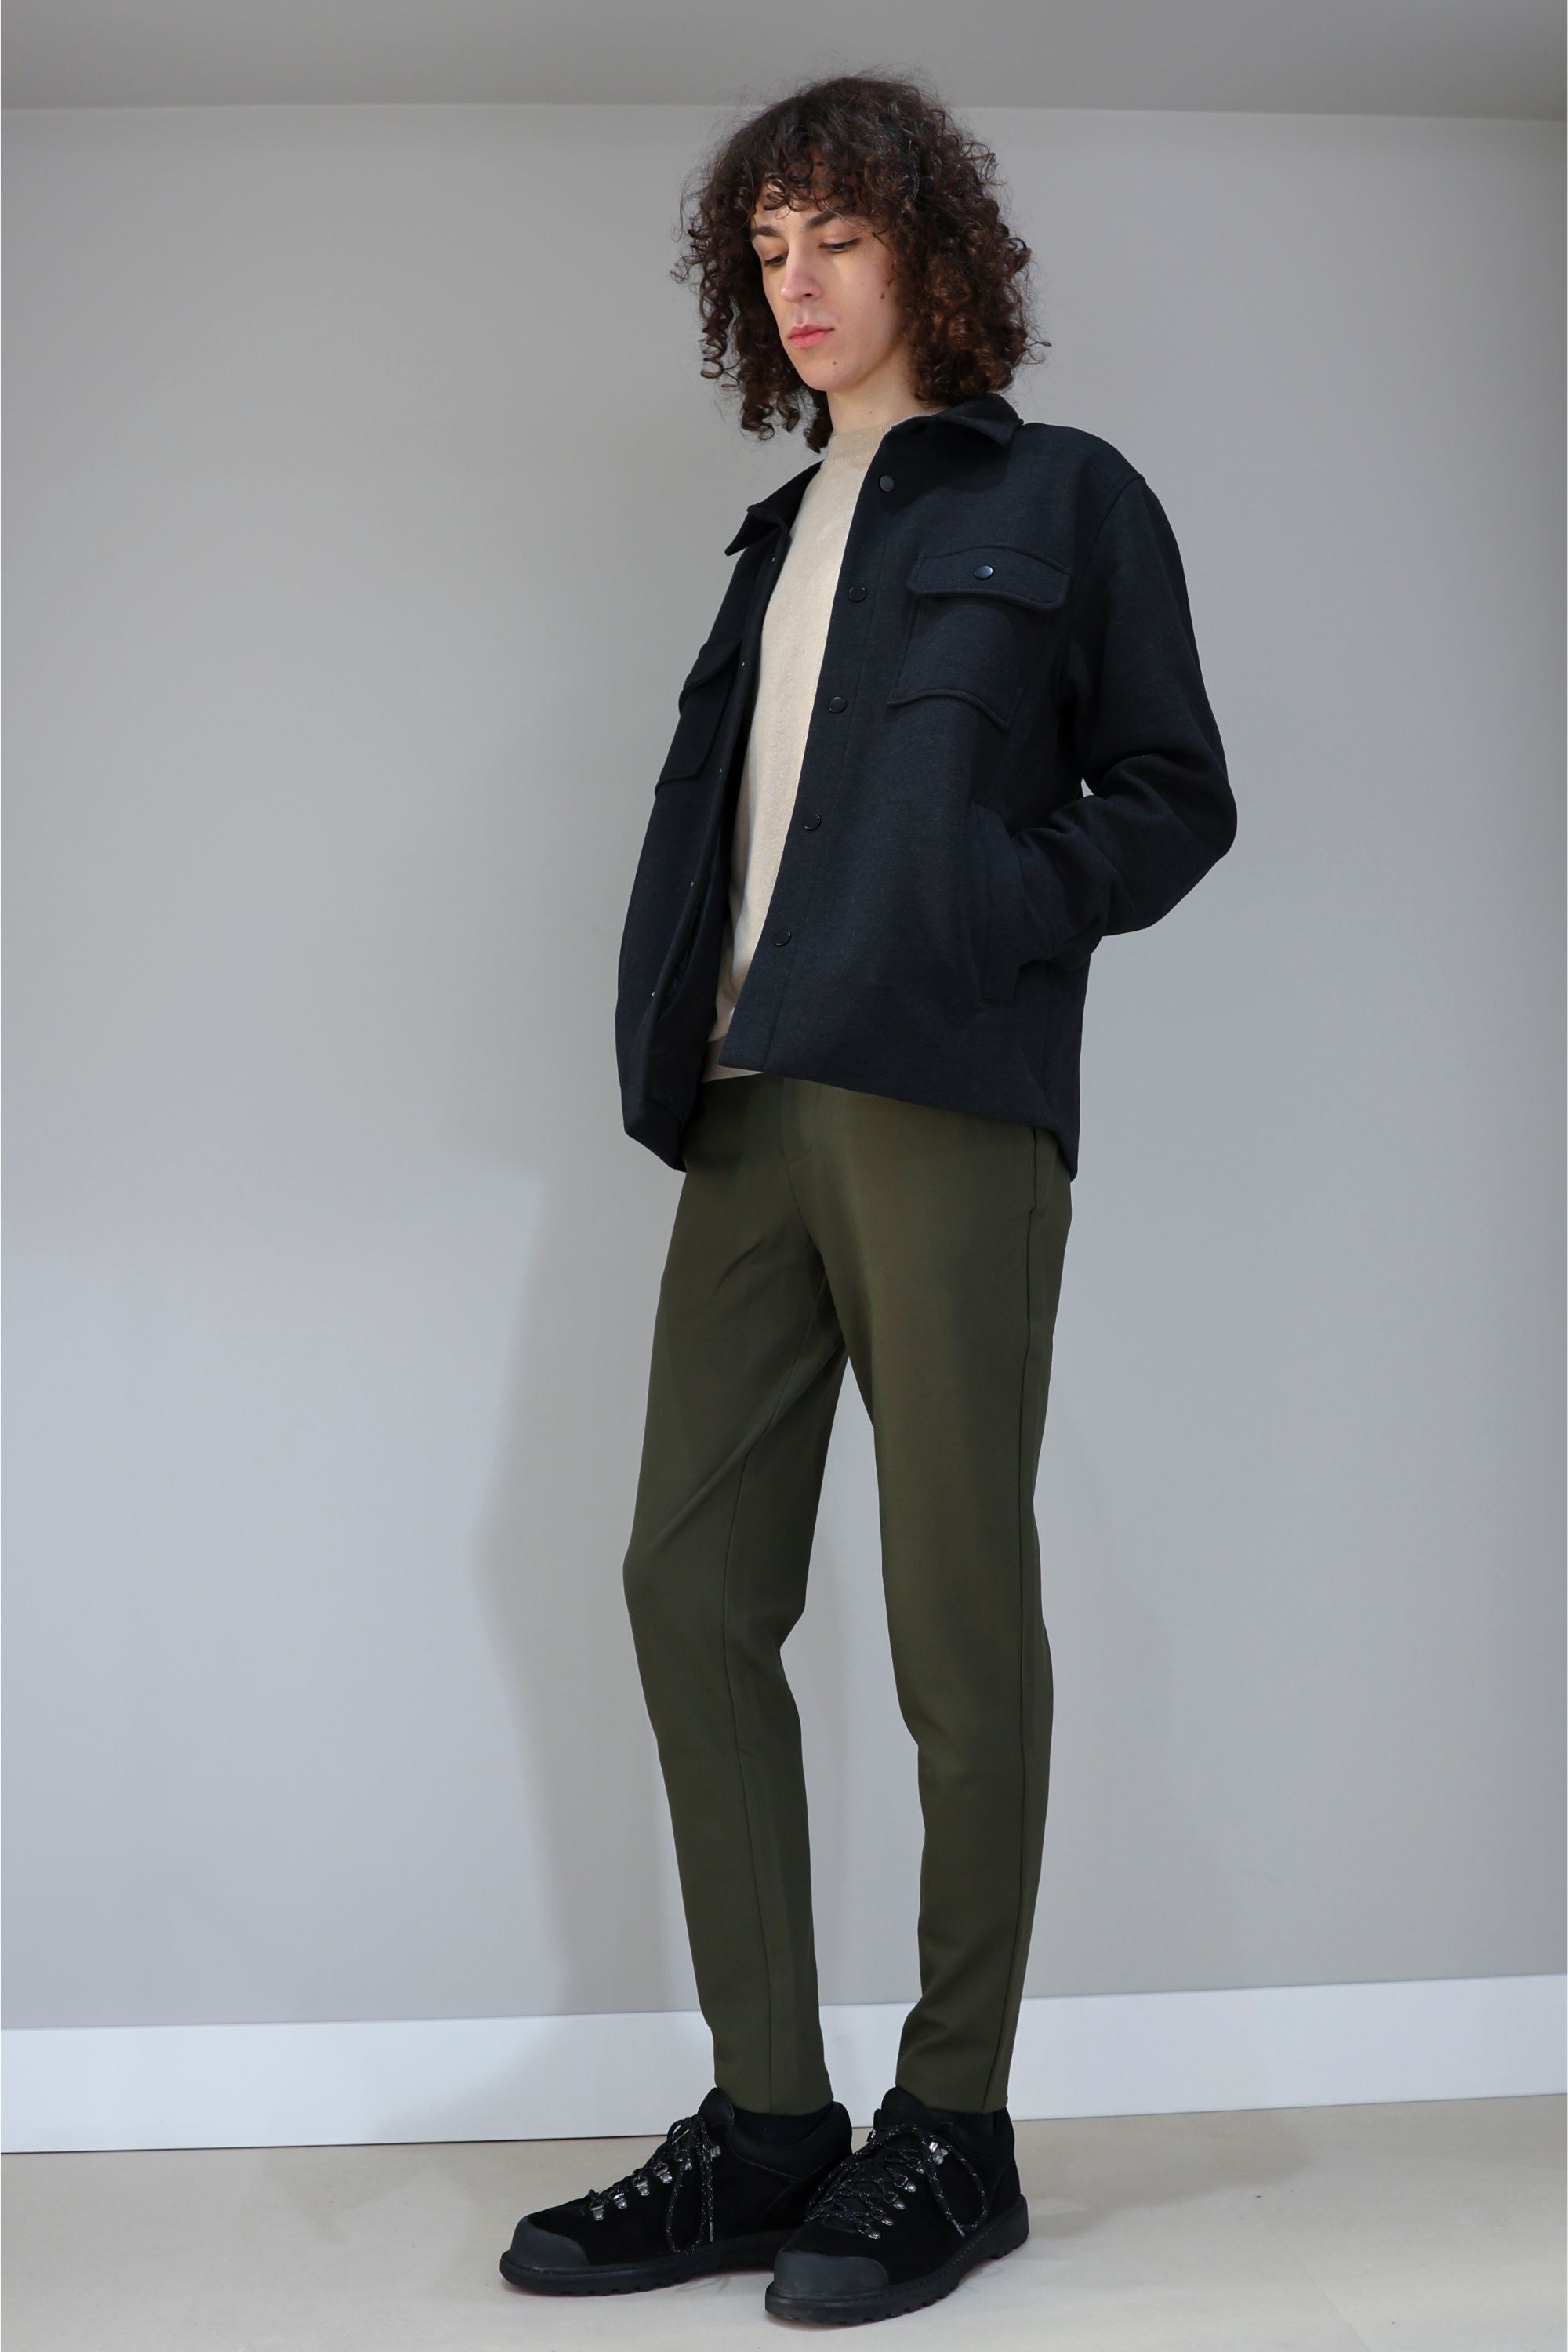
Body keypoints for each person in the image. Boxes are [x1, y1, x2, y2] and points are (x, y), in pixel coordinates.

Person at [503, 69, 1236, 2327]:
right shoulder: (773, 538)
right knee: (685, 1584)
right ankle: (766, 2128)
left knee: (950, 1611)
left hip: (943, 1101)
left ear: (932, 244)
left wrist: (983, 905)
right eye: (767, 251)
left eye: (835, 234)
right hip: (745, 1108)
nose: (799, 282)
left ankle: (956, 2129)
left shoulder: (1062, 496)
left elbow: (1174, 792)